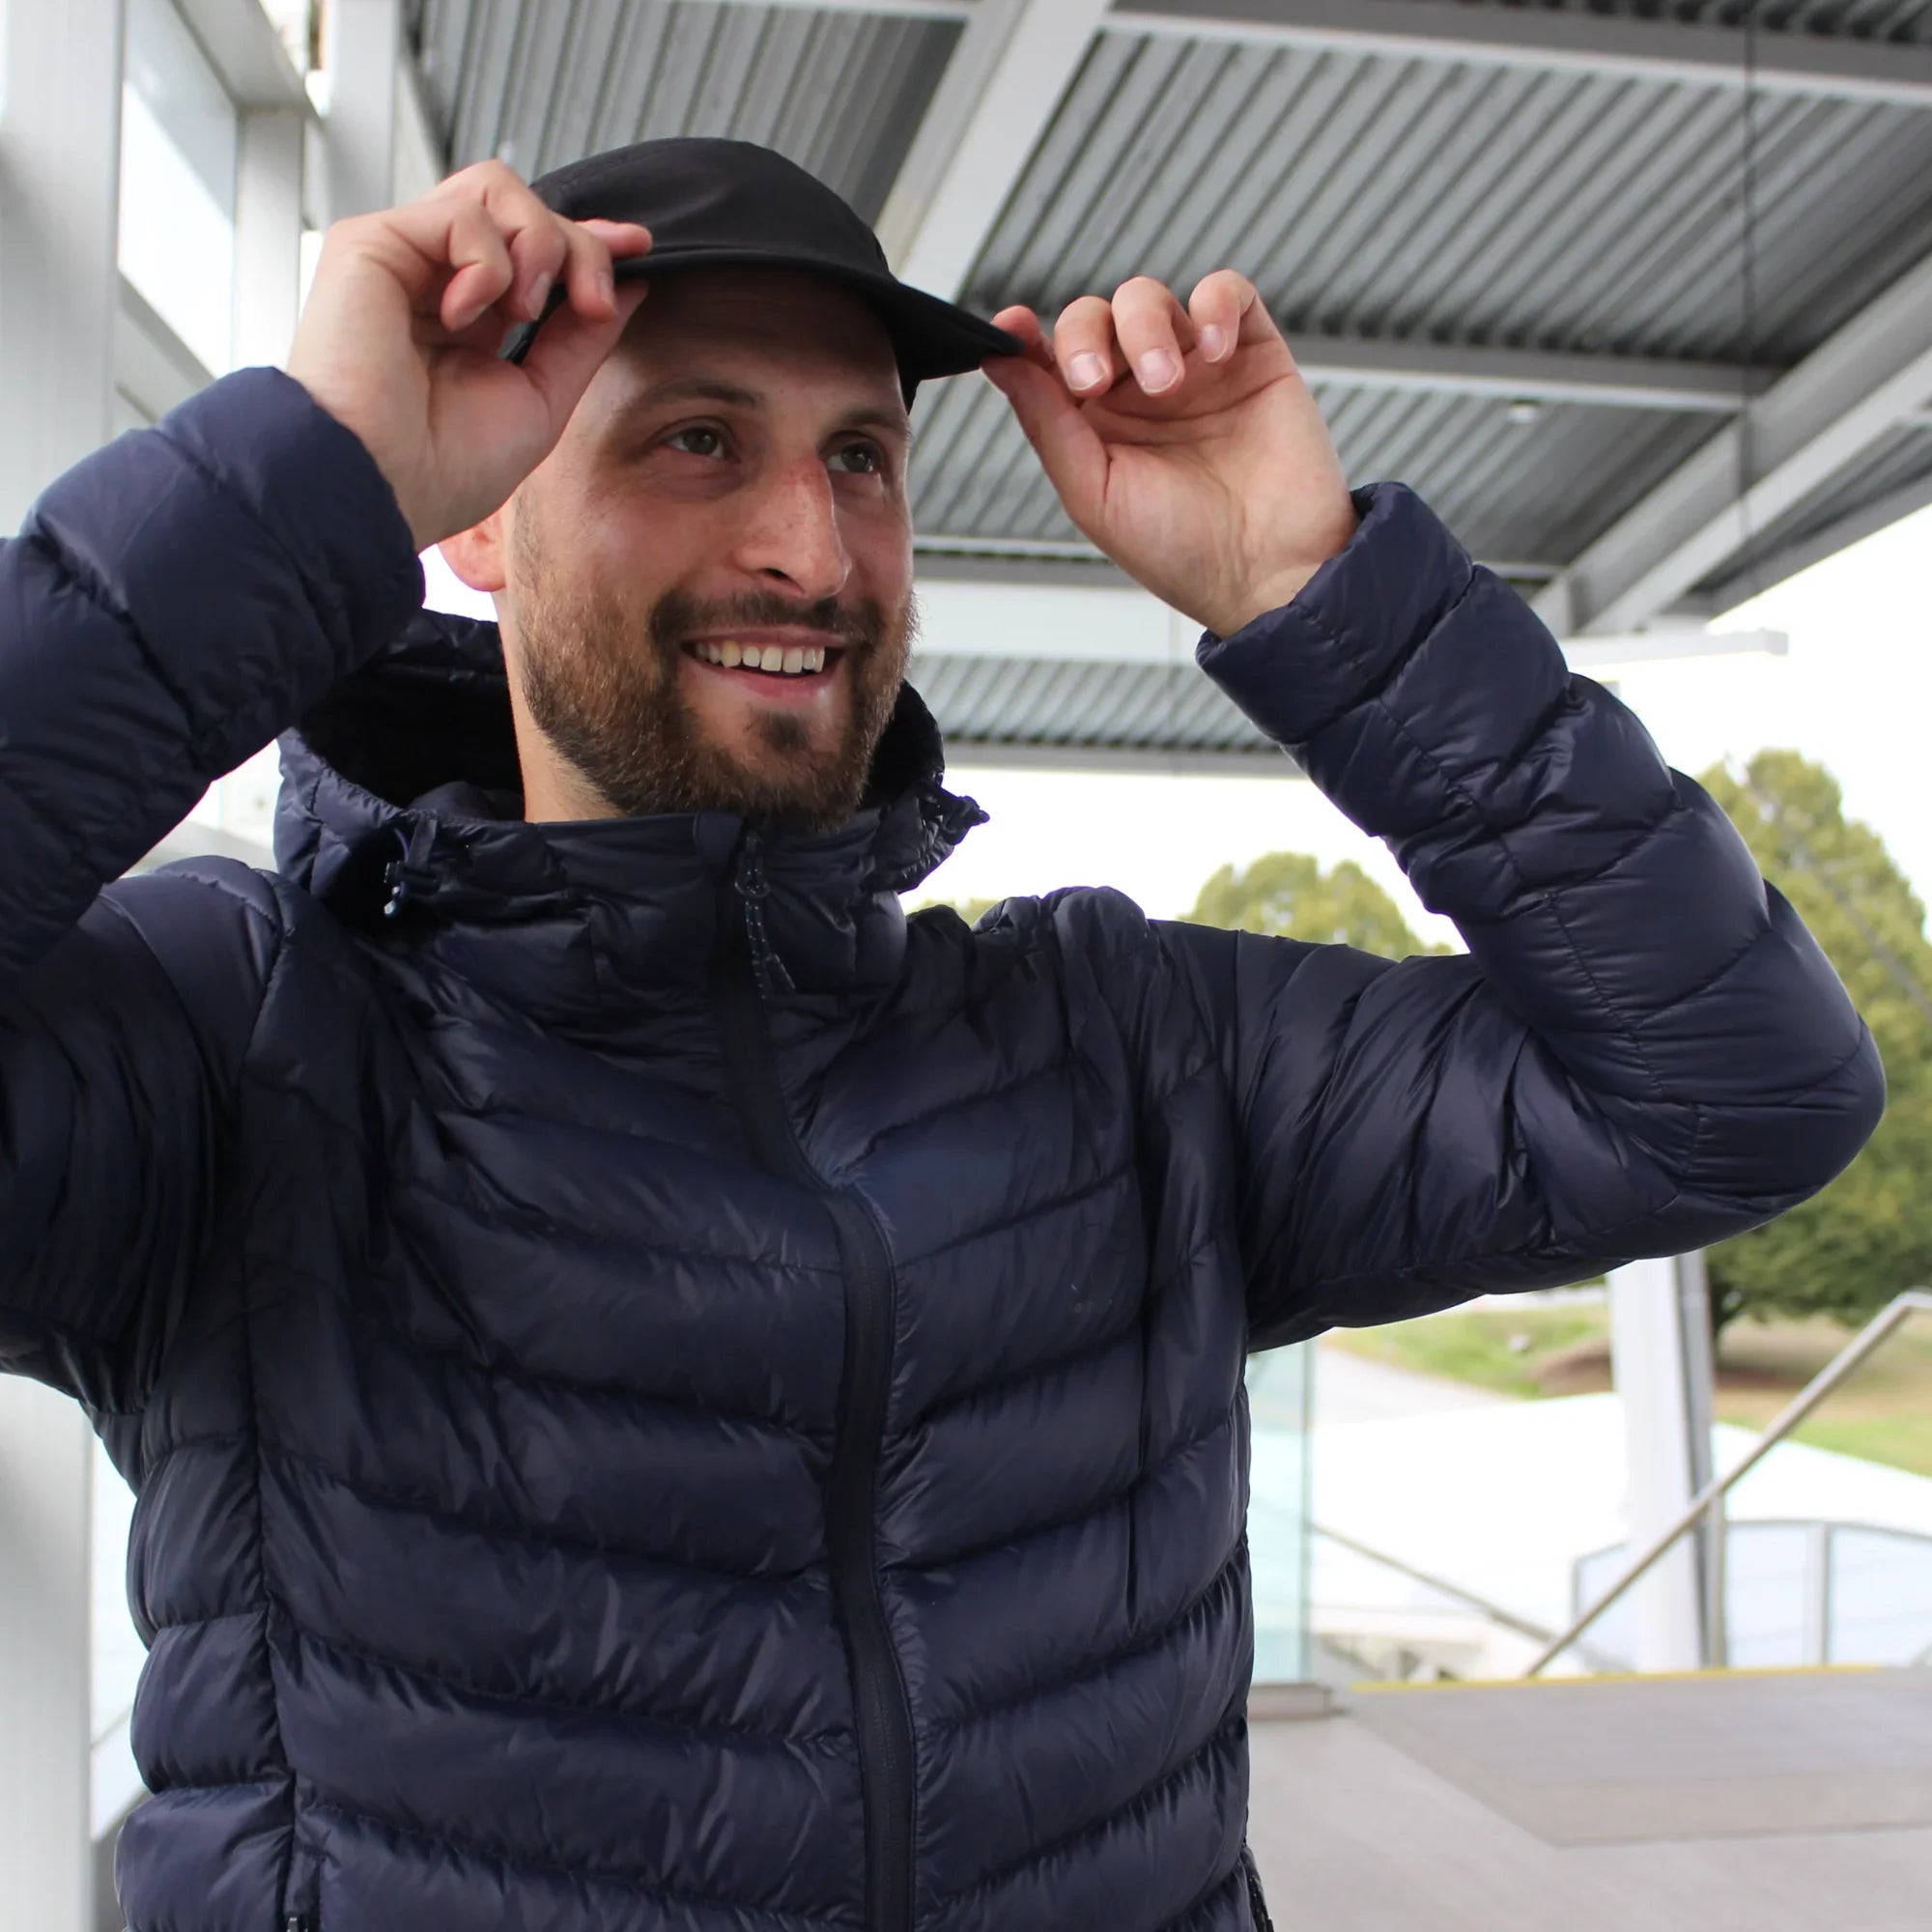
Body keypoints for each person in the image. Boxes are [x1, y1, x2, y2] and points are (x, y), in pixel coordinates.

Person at [0, 135, 1880, 1932]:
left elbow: (1735, 1088)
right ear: (478, 513)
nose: (811, 551)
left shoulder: (1122, 1053)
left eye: (862, 460)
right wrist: (304, 482)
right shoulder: (241, 1042)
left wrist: (1317, 589)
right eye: (698, 440)